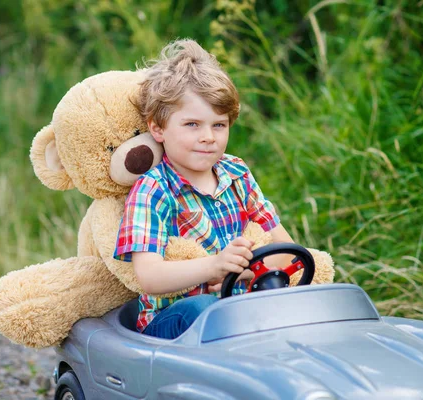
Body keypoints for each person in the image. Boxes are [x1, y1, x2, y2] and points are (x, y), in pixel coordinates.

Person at [114, 38, 293, 339]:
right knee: (205, 308)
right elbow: (150, 277)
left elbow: (285, 250)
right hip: (175, 324)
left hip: (239, 315)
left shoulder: (237, 173)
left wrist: (245, 270)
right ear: (158, 128)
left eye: (219, 125)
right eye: (193, 125)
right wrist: (214, 266)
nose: (208, 137)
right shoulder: (153, 189)